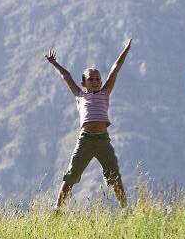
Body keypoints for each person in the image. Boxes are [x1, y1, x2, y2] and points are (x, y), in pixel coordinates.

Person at [44, 39, 133, 209]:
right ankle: (58, 209)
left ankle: (125, 208)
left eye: (97, 79)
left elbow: (115, 69)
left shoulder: (105, 92)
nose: (95, 81)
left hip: (102, 140)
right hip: (85, 140)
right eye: (91, 79)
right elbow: (67, 76)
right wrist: (55, 63)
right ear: (84, 83)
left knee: (113, 174)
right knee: (71, 175)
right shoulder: (79, 95)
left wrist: (125, 50)